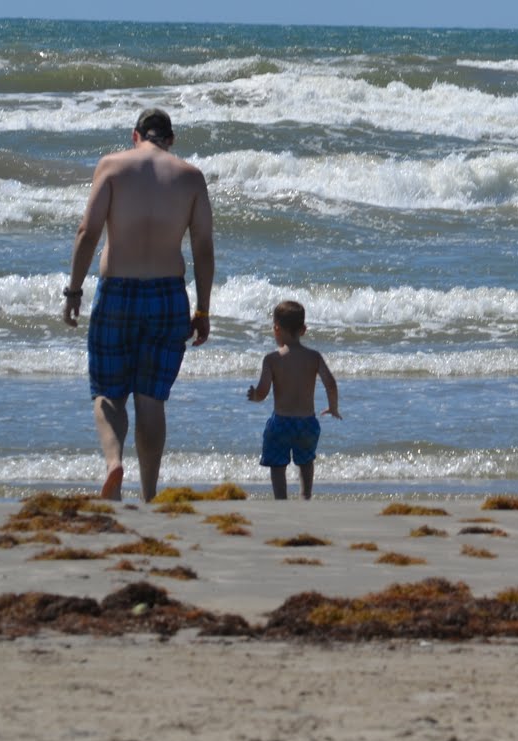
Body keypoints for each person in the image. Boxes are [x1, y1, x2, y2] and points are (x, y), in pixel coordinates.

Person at [61, 108, 214, 502]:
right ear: (171, 139)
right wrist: (202, 310)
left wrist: (74, 291)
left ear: (135, 135)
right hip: (167, 296)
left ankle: (114, 464)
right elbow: (203, 247)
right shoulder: (190, 177)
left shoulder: (112, 167)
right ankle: (148, 492)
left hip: (118, 291)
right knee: (151, 397)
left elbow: (87, 231)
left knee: (109, 392)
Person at [247, 300, 340, 500]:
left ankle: (281, 500)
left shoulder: (272, 359)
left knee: (278, 465)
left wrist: (254, 396)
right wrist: (333, 407)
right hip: (307, 423)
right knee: (306, 462)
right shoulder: (314, 357)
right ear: (304, 330)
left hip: (281, 422)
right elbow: (330, 383)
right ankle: (305, 496)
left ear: (276, 329)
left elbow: (262, 393)